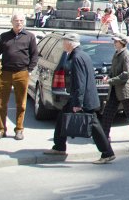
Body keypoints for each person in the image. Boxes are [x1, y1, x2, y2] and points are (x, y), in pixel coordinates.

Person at [43, 33, 115, 164]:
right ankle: (59, 147)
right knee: (61, 118)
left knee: (93, 125)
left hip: (82, 99)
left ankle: (107, 153)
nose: (62, 44)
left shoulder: (76, 57)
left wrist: (78, 103)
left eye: (64, 42)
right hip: (80, 97)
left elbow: (80, 82)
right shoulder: (81, 54)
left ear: (70, 43)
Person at [0, 12, 39, 141]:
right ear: (11, 22)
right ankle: (1, 130)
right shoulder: (4, 37)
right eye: (16, 20)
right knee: (1, 104)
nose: (19, 23)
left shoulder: (30, 37)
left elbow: (34, 55)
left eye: (21, 21)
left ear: (24, 22)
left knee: (21, 104)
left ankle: (19, 130)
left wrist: (29, 70)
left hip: (22, 73)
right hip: (5, 73)